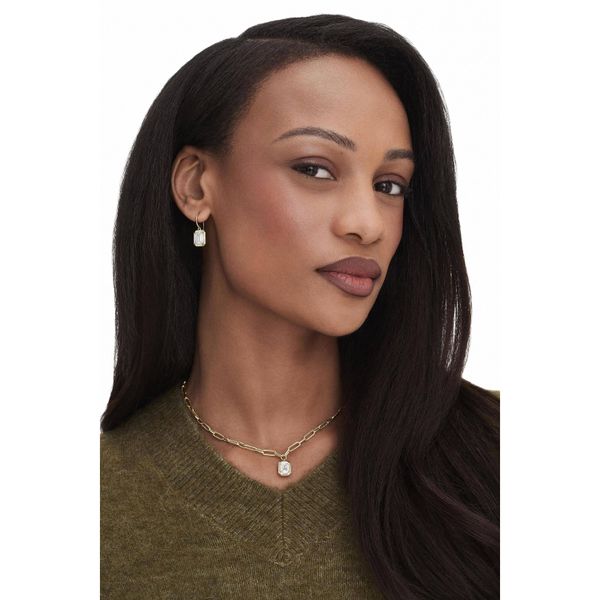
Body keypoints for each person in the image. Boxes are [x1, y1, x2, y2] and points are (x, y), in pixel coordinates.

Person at [100, 13, 500, 600]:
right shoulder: (92, 499)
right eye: (314, 169)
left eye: (389, 185)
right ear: (196, 186)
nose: (367, 224)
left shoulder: (503, 453)